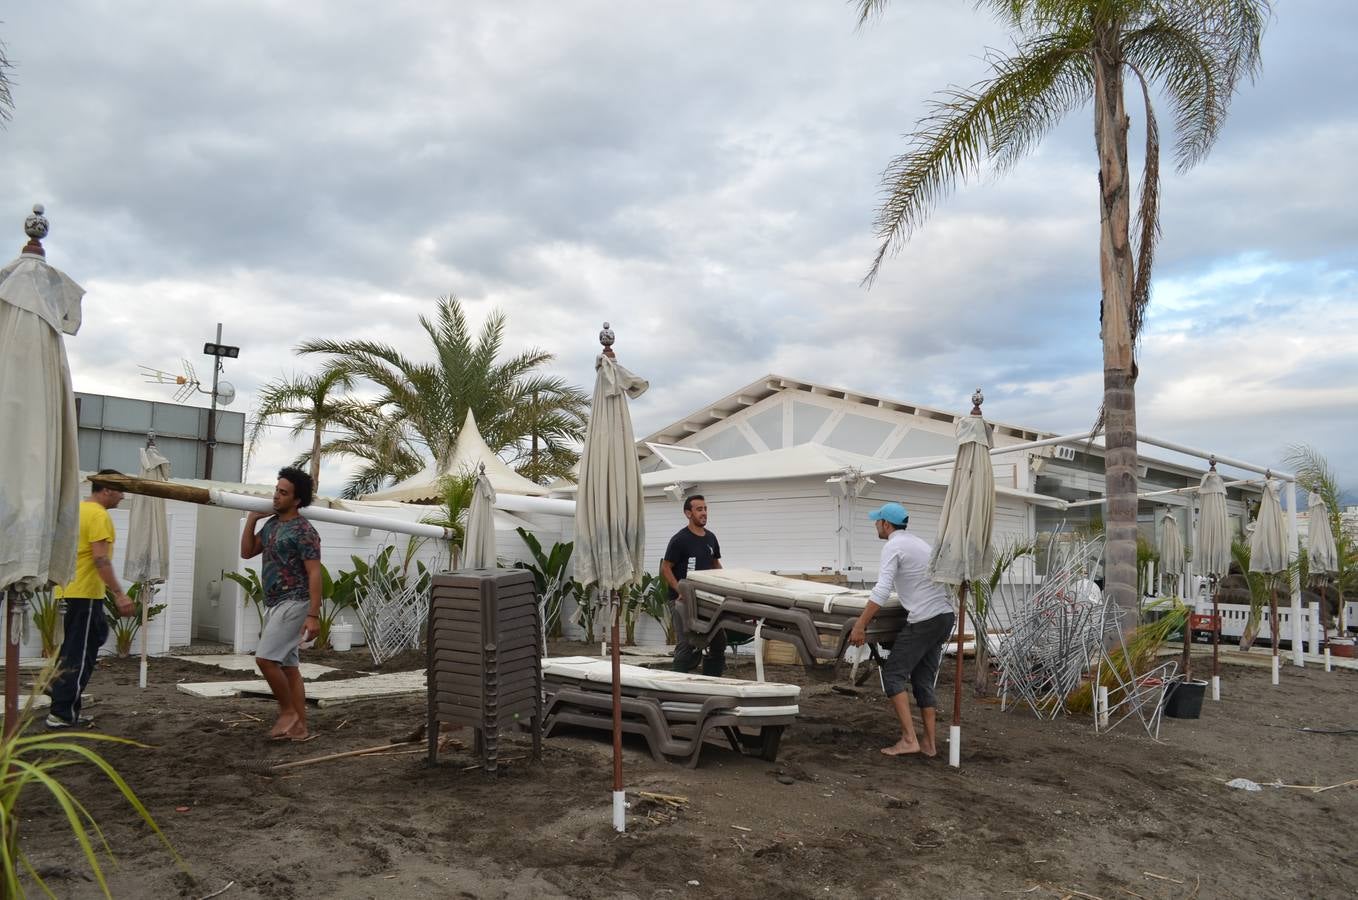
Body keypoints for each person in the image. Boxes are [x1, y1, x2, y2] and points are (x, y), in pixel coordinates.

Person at [849, 502, 955, 758]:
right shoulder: (918, 543)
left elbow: (882, 590)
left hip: (925, 619)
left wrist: (860, 624)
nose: (875, 525)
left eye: (878, 521)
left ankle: (909, 739)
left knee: (894, 674)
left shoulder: (893, 546)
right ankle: (929, 744)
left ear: (886, 524)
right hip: (945, 616)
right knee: (922, 679)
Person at [47, 470, 134, 728]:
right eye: (119, 490)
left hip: (68, 592)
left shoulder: (78, 511)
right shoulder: (98, 515)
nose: (122, 496)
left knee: (94, 636)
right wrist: (119, 593)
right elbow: (100, 558)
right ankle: (61, 713)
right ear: (106, 489)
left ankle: (59, 692)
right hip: (83, 593)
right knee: (79, 653)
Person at [241, 467, 322, 741]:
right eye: (276, 490)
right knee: (289, 667)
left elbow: (314, 572)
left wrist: (313, 614)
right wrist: (252, 519)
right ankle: (300, 729)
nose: (276, 496)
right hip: (274, 602)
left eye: (283, 492)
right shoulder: (273, 525)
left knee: (264, 659)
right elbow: (247, 551)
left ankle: (288, 711)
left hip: (295, 601)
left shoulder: (304, 531)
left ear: (297, 500)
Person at [660, 495, 726, 676]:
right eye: (699, 509)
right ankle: (676, 683)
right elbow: (666, 567)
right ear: (688, 513)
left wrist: (726, 585)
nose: (704, 513)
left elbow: (716, 565)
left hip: (706, 600)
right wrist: (679, 588)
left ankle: (712, 683)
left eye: (705, 508)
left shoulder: (711, 538)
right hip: (682, 600)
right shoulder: (680, 540)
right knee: (686, 643)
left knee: (718, 642)